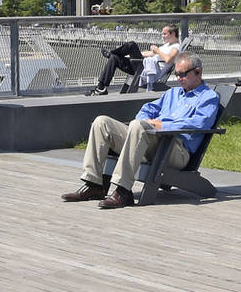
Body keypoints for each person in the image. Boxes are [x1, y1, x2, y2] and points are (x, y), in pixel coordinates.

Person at [60, 54, 221, 209]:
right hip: (152, 140)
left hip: (176, 150)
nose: (179, 78)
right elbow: (147, 109)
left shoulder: (208, 97)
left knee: (138, 126)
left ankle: (123, 191)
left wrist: (161, 126)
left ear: (198, 72)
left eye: (183, 74)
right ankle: (94, 184)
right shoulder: (172, 93)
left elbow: (199, 123)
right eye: (177, 74)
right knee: (102, 122)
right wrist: (146, 121)